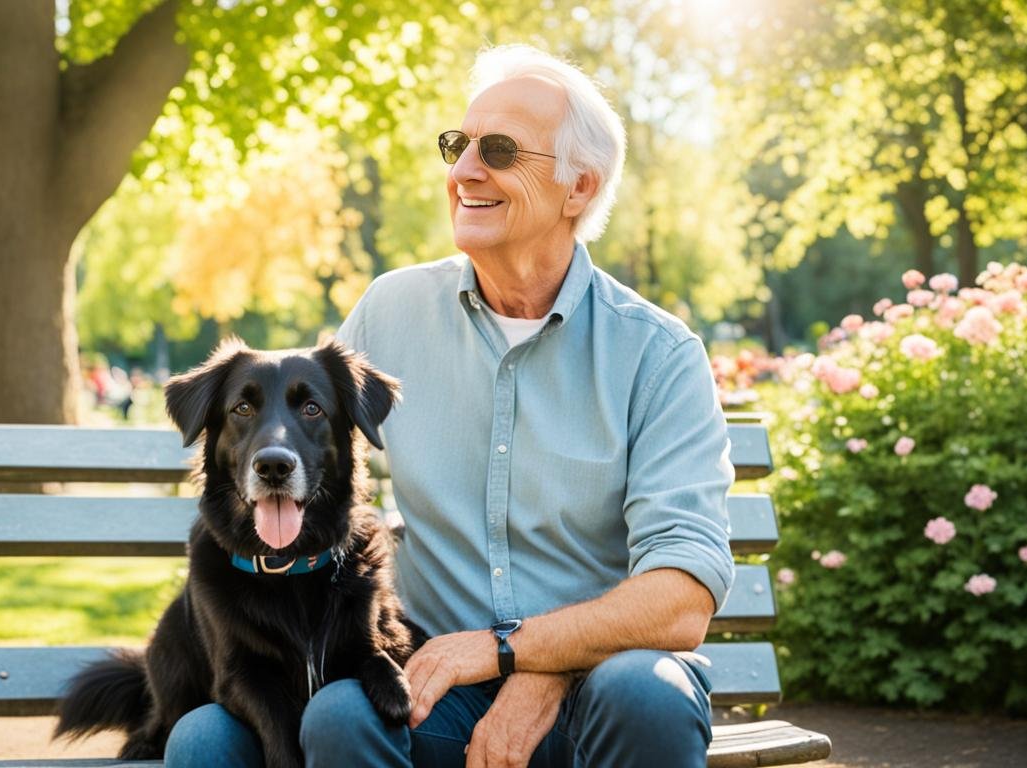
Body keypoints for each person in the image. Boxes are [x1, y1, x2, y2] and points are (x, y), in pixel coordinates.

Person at [164, 45, 734, 768]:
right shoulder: (391, 312)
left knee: (648, 693)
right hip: (436, 686)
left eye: (497, 150)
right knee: (334, 714)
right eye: (457, 145)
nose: (464, 170)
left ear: (578, 188)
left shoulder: (658, 355)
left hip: (601, 685)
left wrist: (529, 661)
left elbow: (681, 597)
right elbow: (311, 462)